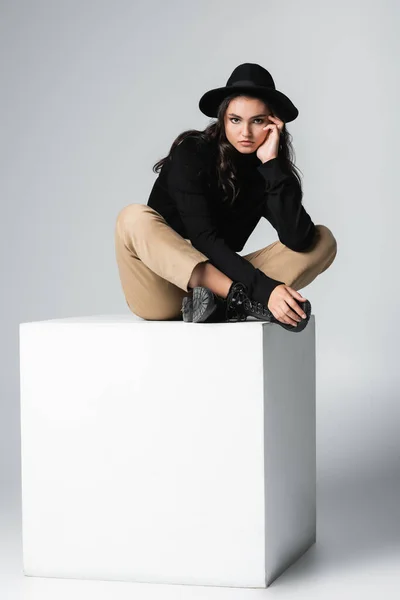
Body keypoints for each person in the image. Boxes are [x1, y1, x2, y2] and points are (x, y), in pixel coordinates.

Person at [114, 63, 337, 332]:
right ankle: (238, 300)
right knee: (132, 217)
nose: (245, 133)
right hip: (162, 289)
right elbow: (203, 239)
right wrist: (266, 291)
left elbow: (298, 239)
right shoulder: (193, 152)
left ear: (274, 123)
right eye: (235, 120)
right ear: (222, 119)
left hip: (216, 291)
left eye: (257, 121)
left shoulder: (265, 170)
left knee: (321, 239)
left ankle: (223, 304)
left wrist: (272, 165)